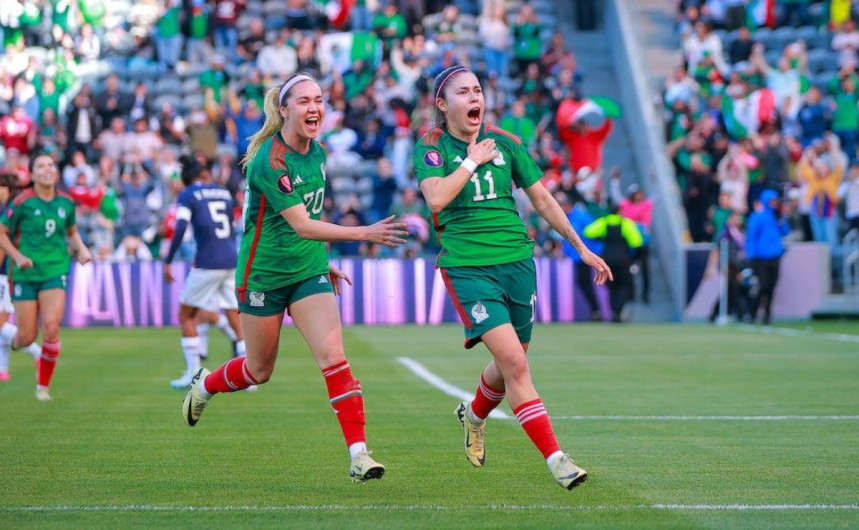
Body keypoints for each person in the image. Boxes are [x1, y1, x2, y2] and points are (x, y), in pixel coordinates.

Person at [180, 73, 408, 482]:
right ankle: (206, 385)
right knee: (259, 371)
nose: (314, 107)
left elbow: (311, 217)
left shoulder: (317, 152)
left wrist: (322, 260)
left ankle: (359, 454)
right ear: (283, 110)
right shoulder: (270, 160)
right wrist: (363, 233)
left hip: (307, 270)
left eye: (319, 100)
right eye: (304, 101)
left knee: (334, 358)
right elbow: (302, 224)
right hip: (263, 275)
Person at [414, 65, 612, 490]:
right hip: (468, 266)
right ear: (442, 104)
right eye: (463, 92)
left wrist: (581, 248)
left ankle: (474, 415)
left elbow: (543, 199)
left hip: (518, 262)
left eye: (478, 90)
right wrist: (472, 160)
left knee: (511, 363)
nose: (474, 98)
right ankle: (557, 459)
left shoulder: (506, 142)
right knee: (517, 363)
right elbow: (436, 198)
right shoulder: (431, 147)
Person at [0, 154, 91, 401]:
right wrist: (17, 256)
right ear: (32, 174)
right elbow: (2, 233)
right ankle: (16, 343)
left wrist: (81, 249)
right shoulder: (22, 202)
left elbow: (71, 232)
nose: (47, 169)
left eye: (51, 165)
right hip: (25, 273)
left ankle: (43, 387)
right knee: (26, 337)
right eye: (41, 165)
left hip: (55, 270)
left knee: (51, 328)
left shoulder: (66, 202)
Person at [164, 156, 245, 390]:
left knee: (186, 315)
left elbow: (181, 226)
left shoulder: (187, 195)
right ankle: (247, 377)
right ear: (203, 174)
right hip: (231, 258)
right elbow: (231, 225)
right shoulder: (223, 192)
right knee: (234, 316)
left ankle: (193, 374)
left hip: (208, 261)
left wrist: (168, 260)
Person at [0, 173, 43, 381]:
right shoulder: (13, 208)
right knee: (1, 327)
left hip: (3, 273)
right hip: (10, 272)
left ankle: (38, 353)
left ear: (6, 188)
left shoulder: (7, 210)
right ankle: (3, 369)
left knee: (1, 325)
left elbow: (3, 244)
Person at [584, 204, 643, 323]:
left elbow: (588, 232)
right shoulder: (626, 223)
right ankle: (617, 310)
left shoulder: (604, 222)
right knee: (625, 286)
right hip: (623, 259)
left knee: (612, 287)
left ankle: (613, 312)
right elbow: (637, 242)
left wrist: (601, 239)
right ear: (620, 211)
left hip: (607, 260)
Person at [746, 190, 790, 325]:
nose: (774, 204)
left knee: (771, 286)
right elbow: (751, 236)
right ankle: (752, 313)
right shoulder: (758, 216)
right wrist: (751, 254)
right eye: (772, 201)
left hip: (775, 256)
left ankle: (767, 314)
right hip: (760, 257)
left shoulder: (777, 217)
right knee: (762, 285)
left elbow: (785, 231)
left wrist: (782, 218)